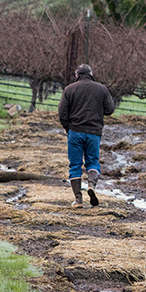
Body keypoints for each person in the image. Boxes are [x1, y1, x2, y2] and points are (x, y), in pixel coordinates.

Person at [58, 64, 115, 207]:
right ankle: (91, 185)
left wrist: (69, 128)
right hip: (94, 133)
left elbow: (62, 113)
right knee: (93, 162)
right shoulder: (101, 89)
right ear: (91, 74)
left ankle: (78, 199)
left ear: (77, 75)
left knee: (75, 165)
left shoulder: (69, 89)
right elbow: (110, 110)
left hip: (75, 132)